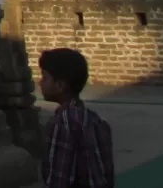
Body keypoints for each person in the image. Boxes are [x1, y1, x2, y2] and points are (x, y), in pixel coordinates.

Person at [38, 47, 114, 188]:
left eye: (45, 78)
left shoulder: (61, 123)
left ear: (60, 85)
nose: (40, 83)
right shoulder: (95, 120)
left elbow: (59, 179)